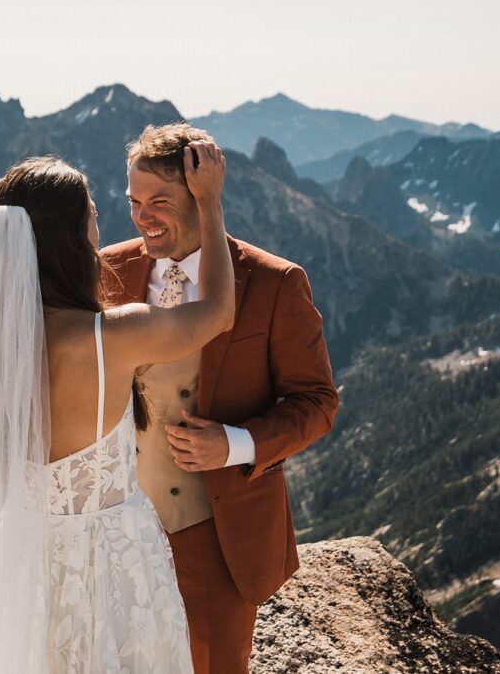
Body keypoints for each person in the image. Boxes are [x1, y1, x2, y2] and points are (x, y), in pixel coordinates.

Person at [0, 144, 232, 672]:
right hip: (113, 557)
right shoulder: (112, 334)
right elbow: (218, 312)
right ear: (68, 237)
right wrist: (210, 203)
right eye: (91, 215)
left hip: (20, 555)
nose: (100, 226)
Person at [100, 123, 340, 674]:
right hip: (115, 526)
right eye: (134, 201)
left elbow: (318, 401)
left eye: (160, 201)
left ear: (202, 196)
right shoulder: (109, 268)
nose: (143, 217)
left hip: (213, 534)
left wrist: (234, 444)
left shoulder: (275, 282)